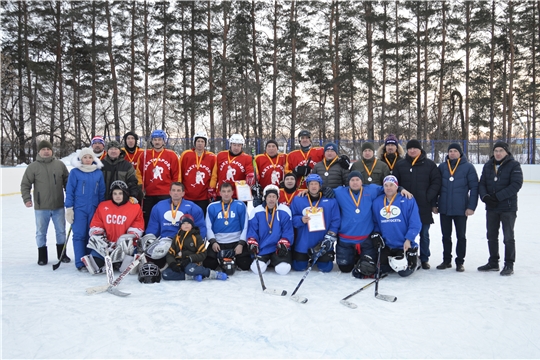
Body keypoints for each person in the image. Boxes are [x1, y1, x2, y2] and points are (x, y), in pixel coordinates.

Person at [333, 171, 412, 276]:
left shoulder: (372, 190)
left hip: (366, 238)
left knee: (369, 266)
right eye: (352, 180)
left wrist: (401, 188)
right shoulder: (339, 192)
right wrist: (311, 190)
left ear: (362, 181)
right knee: (345, 268)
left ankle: (359, 256)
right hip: (345, 238)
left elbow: (389, 187)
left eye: (357, 180)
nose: (355, 182)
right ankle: (355, 256)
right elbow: (319, 191)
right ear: (348, 182)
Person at [392, 139, 441, 270]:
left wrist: (428, 196)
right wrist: (401, 190)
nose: (412, 150)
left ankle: (424, 258)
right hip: (405, 206)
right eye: (410, 148)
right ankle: (407, 255)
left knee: (424, 233)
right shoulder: (400, 164)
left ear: (420, 149)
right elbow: (394, 182)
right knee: (405, 233)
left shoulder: (429, 165)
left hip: (423, 205)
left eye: (415, 148)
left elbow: (436, 182)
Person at [21, 140, 70, 265]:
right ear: (39, 151)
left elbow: (67, 182)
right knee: (41, 232)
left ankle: (62, 254)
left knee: (61, 231)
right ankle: (42, 257)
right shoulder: (33, 167)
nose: (46, 151)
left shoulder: (60, 165)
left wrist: (70, 197)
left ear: (52, 151)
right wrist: (27, 199)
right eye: (43, 149)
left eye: (48, 149)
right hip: (41, 207)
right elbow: (25, 184)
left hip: (58, 205)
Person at [478, 141, 523, 276]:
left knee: (508, 237)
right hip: (491, 208)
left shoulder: (514, 165)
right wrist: (485, 197)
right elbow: (482, 183)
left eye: (501, 151)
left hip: (507, 208)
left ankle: (509, 264)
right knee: (491, 235)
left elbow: (516, 184)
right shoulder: (488, 166)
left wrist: (497, 197)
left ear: (506, 152)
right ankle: (493, 262)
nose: (498, 153)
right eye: (496, 150)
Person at [433, 143, 479, 272]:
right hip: (445, 208)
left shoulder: (468, 167)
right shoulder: (442, 167)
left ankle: (460, 262)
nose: (452, 153)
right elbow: (435, 186)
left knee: (461, 236)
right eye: (450, 151)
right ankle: (446, 260)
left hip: (461, 208)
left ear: (460, 153)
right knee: (445, 236)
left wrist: (471, 207)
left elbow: (474, 188)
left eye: (455, 151)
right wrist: (434, 204)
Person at [84, 180, 145, 272]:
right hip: (107, 245)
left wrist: (127, 237)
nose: (117, 196)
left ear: (125, 194)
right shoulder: (103, 206)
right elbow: (96, 223)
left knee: (127, 269)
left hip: (125, 247)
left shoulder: (134, 207)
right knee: (95, 265)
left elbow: (138, 226)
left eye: (120, 193)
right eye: (115, 193)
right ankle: (109, 261)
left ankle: (119, 262)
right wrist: (100, 238)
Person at [371, 175, 422, 277]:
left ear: (396, 187)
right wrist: (376, 234)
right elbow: (375, 222)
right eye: (386, 185)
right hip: (387, 245)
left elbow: (415, 222)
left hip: (403, 245)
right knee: (381, 269)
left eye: (391, 185)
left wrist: (409, 239)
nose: (388, 188)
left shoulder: (407, 199)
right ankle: (391, 262)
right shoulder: (377, 202)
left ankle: (416, 260)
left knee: (404, 272)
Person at [65, 148, 106, 271]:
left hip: (94, 209)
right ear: (81, 159)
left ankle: (90, 261)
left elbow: (101, 192)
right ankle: (80, 262)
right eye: (85, 157)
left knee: (92, 235)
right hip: (79, 209)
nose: (87, 160)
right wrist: (69, 208)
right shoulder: (75, 172)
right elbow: (70, 191)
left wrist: (102, 210)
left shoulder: (98, 173)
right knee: (79, 235)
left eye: (90, 157)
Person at [290, 174, 340, 273]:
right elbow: (292, 218)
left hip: (321, 241)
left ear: (320, 186)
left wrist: (331, 233)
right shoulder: (298, 199)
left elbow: (336, 219)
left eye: (316, 184)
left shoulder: (331, 200)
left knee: (325, 268)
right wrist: (300, 220)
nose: (313, 186)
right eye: (311, 184)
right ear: (307, 186)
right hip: (304, 241)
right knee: (299, 267)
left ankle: (318, 257)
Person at [162, 214, 228, 281]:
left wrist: (190, 259)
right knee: (165, 274)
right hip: (179, 263)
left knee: (190, 269)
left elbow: (203, 253)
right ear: (180, 226)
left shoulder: (196, 237)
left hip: (191, 263)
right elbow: (170, 254)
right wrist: (173, 264)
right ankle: (191, 277)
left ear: (192, 225)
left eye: (188, 223)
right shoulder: (176, 237)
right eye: (183, 223)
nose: (186, 225)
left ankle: (213, 274)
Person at [203, 182, 250, 275]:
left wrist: (241, 244)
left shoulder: (240, 205)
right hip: (219, 242)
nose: (226, 194)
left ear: (233, 192)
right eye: (223, 191)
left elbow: (245, 226)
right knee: (209, 265)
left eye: (228, 191)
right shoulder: (212, 206)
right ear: (219, 193)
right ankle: (221, 259)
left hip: (236, 241)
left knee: (245, 265)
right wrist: (213, 242)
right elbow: (208, 227)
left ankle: (233, 259)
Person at [246, 185, 294, 275]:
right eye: (269, 197)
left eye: (274, 196)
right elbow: (252, 230)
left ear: (277, 198)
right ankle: (268, 260)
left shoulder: (285, 210)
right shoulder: (256, 211)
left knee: (283, 270)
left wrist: (284, 243)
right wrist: (253, 242)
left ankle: (274, 260)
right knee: (256, 269)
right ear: (265, 198)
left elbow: (288, 230)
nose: (271, 199)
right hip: (263, 248)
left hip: (278, 248)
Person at [136, 129, 180, 227]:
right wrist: (140, 186)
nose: (157, 142)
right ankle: (148, 236)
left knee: (164, 216)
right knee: (147, 217)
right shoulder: (144, 154)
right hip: (148, 193)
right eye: (155, 139)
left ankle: (164, 236)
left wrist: (175, 190)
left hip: (165, 193)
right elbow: (139, 173)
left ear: (164, 141)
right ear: (151, 141)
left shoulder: (171, 155)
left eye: (159, 139)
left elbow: (176, 174)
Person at [179, 132, 217, 214]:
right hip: (187, 195)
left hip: (204, 196)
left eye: (202, 141)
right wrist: (179, 188)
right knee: (187, 220)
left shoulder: (212, 157)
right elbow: (179, 172)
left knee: (201, 219)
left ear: (205, 143)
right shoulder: (186, 155)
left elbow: (215, 174)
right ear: (194, 142)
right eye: (198, 141)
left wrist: (213, 189)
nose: (200, 143)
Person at [209, 134, 255, 200]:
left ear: (242, 146)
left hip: (238, 194)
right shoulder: (221, 155)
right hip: (222, 192)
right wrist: (212, 187)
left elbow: (250, 171)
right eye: (234, 145)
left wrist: (251, 175)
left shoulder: (247, 158)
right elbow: (215, 174)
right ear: (230, 144)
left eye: (239, 145)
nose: (236, 148)